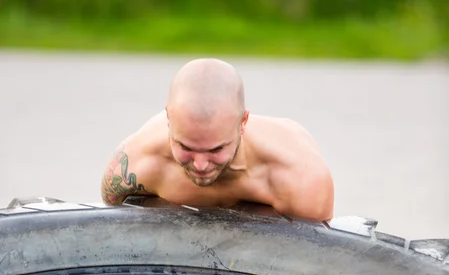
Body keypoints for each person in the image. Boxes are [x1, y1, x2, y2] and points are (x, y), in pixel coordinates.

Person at [101, 58, 334, 221]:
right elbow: (113, 217)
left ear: (243, 122)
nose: (200, 164)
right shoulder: (136, 163)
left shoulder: (300, 180)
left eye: (215, 149)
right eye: (186, 147)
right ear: (168, 118)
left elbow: (315, 265)